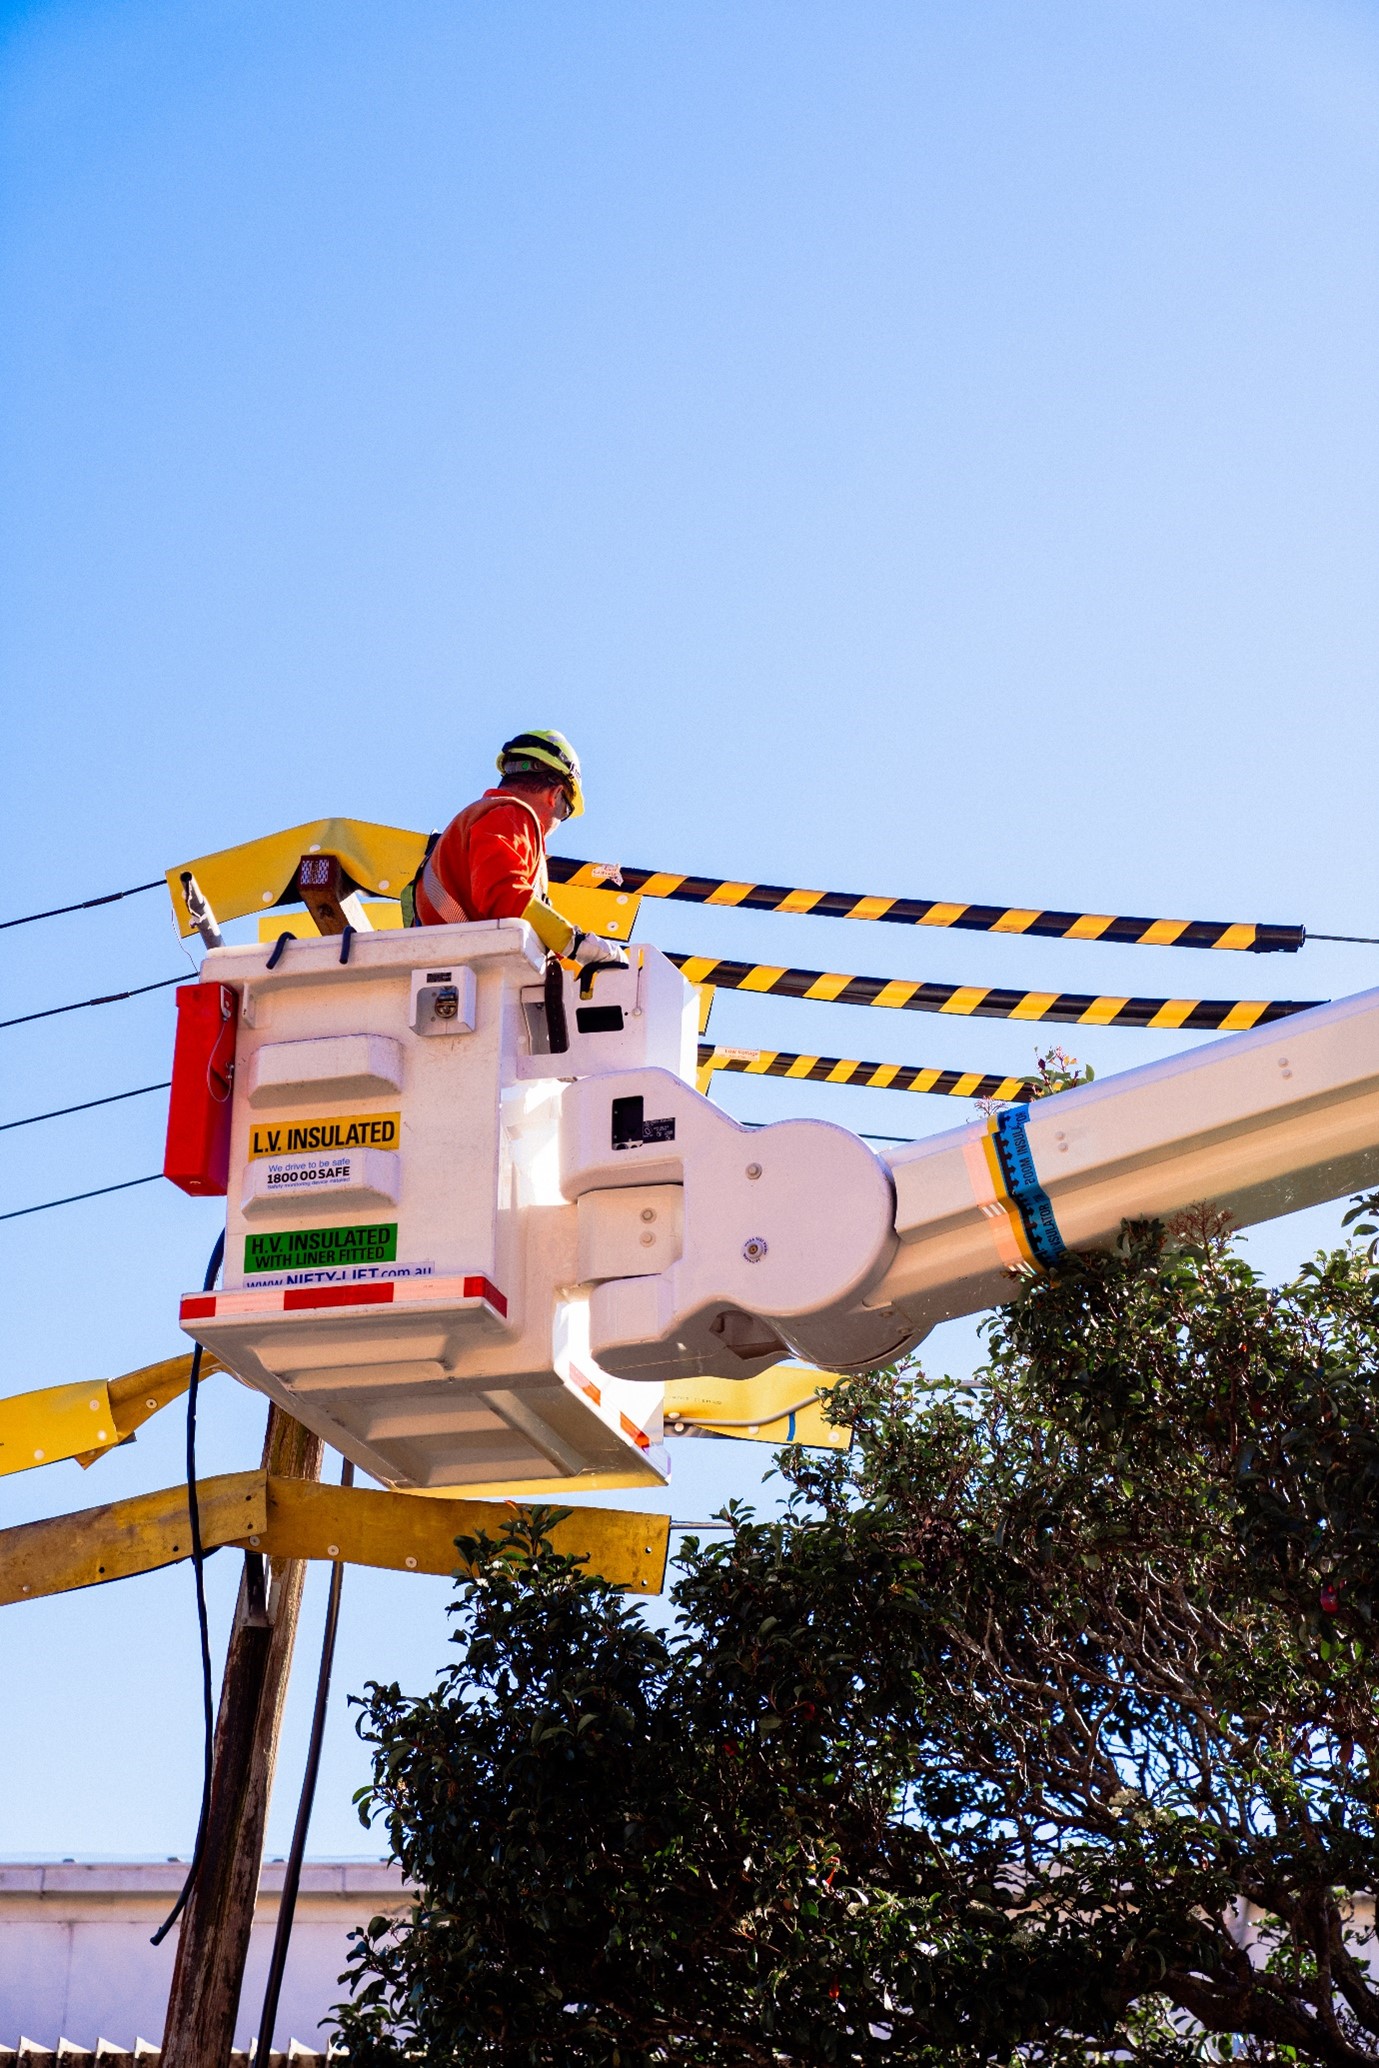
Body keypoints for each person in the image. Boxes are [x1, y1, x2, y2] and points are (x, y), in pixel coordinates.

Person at [408, 729, 628, 967]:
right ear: (556, 795)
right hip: (466, 975)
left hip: (450, 967)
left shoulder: (475, 821)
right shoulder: (513, 815)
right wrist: (577, 945)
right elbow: (505, 898)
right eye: (566, 812)